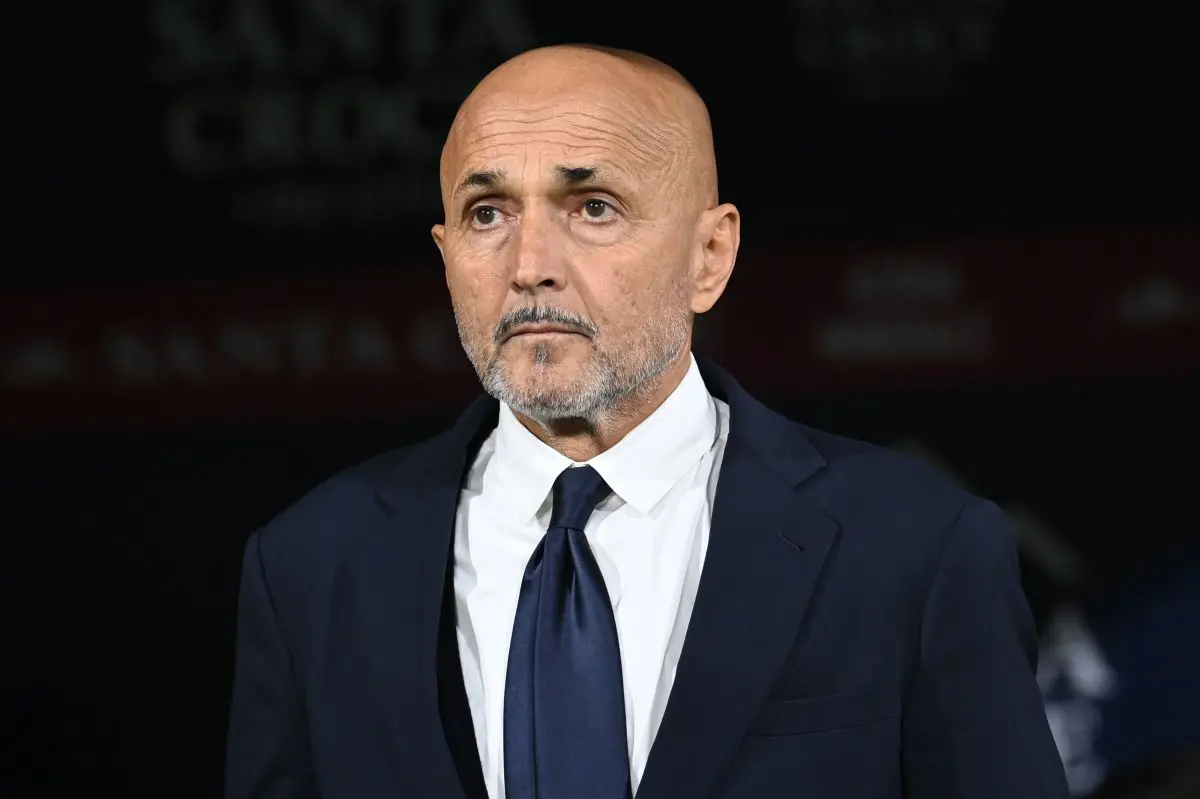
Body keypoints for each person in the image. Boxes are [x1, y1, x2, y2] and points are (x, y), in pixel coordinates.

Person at [225, 45, 1069, 799]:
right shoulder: (311, 566)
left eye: (592, 206)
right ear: (446, 257)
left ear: (710, 256)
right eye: (488, 213)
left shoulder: (915, 549)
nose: (530, 266)